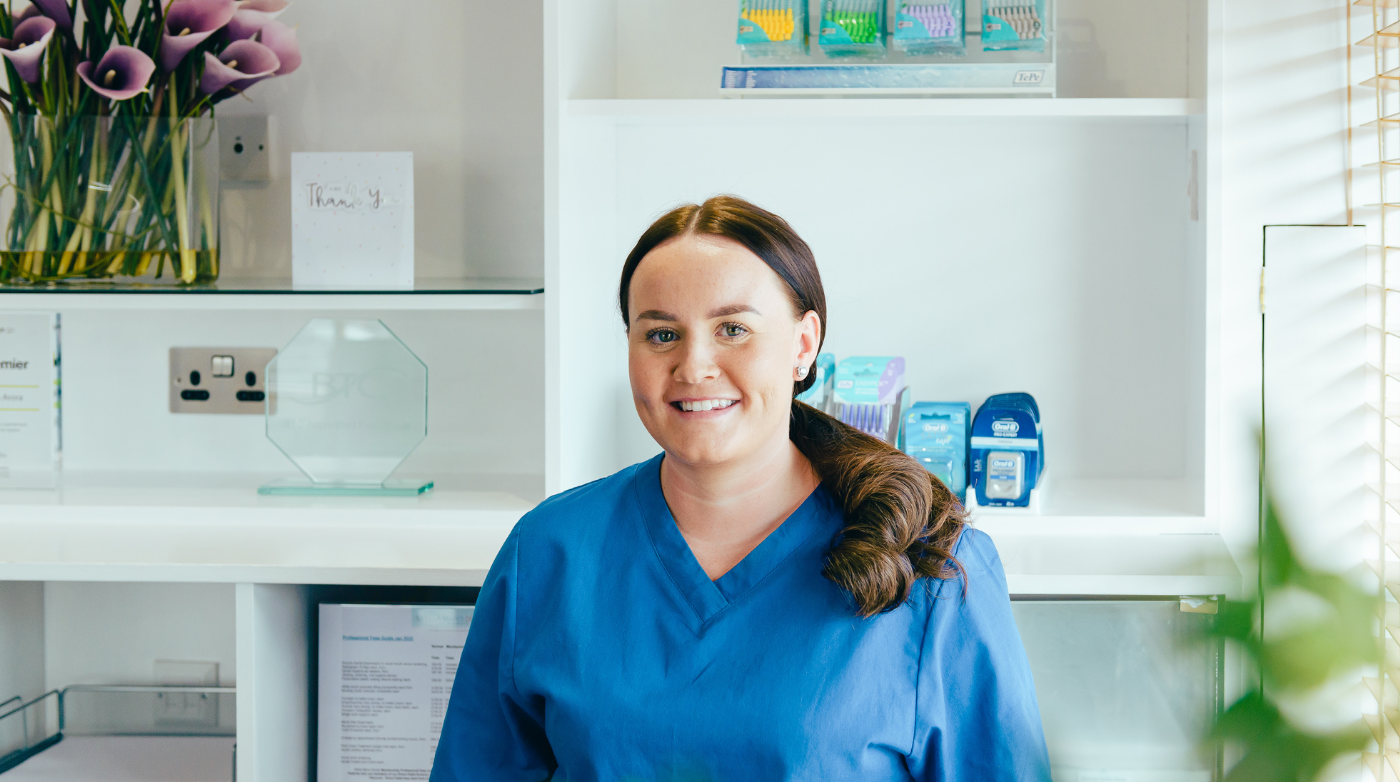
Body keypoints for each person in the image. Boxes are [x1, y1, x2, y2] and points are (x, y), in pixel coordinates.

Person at [431, 195, 1050, 781]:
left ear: (803, 345)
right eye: (661, 334)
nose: (694, 366)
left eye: (732, 330)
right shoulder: (548, 553)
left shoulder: (934, 565)